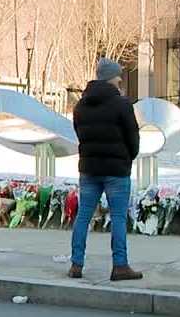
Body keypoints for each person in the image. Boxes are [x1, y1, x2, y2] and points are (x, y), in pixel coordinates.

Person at [68, 58, 142, 282]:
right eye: (118, 77)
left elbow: (79, 134)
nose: (121, 81)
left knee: (83, 216)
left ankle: (76, 264)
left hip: (89, 169)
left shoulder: (80, 106)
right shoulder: (122, 104)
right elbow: (133, 138)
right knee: (118, 217)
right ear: (112, 78)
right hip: (116, 170)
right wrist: (128, 157)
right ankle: (120, 266)